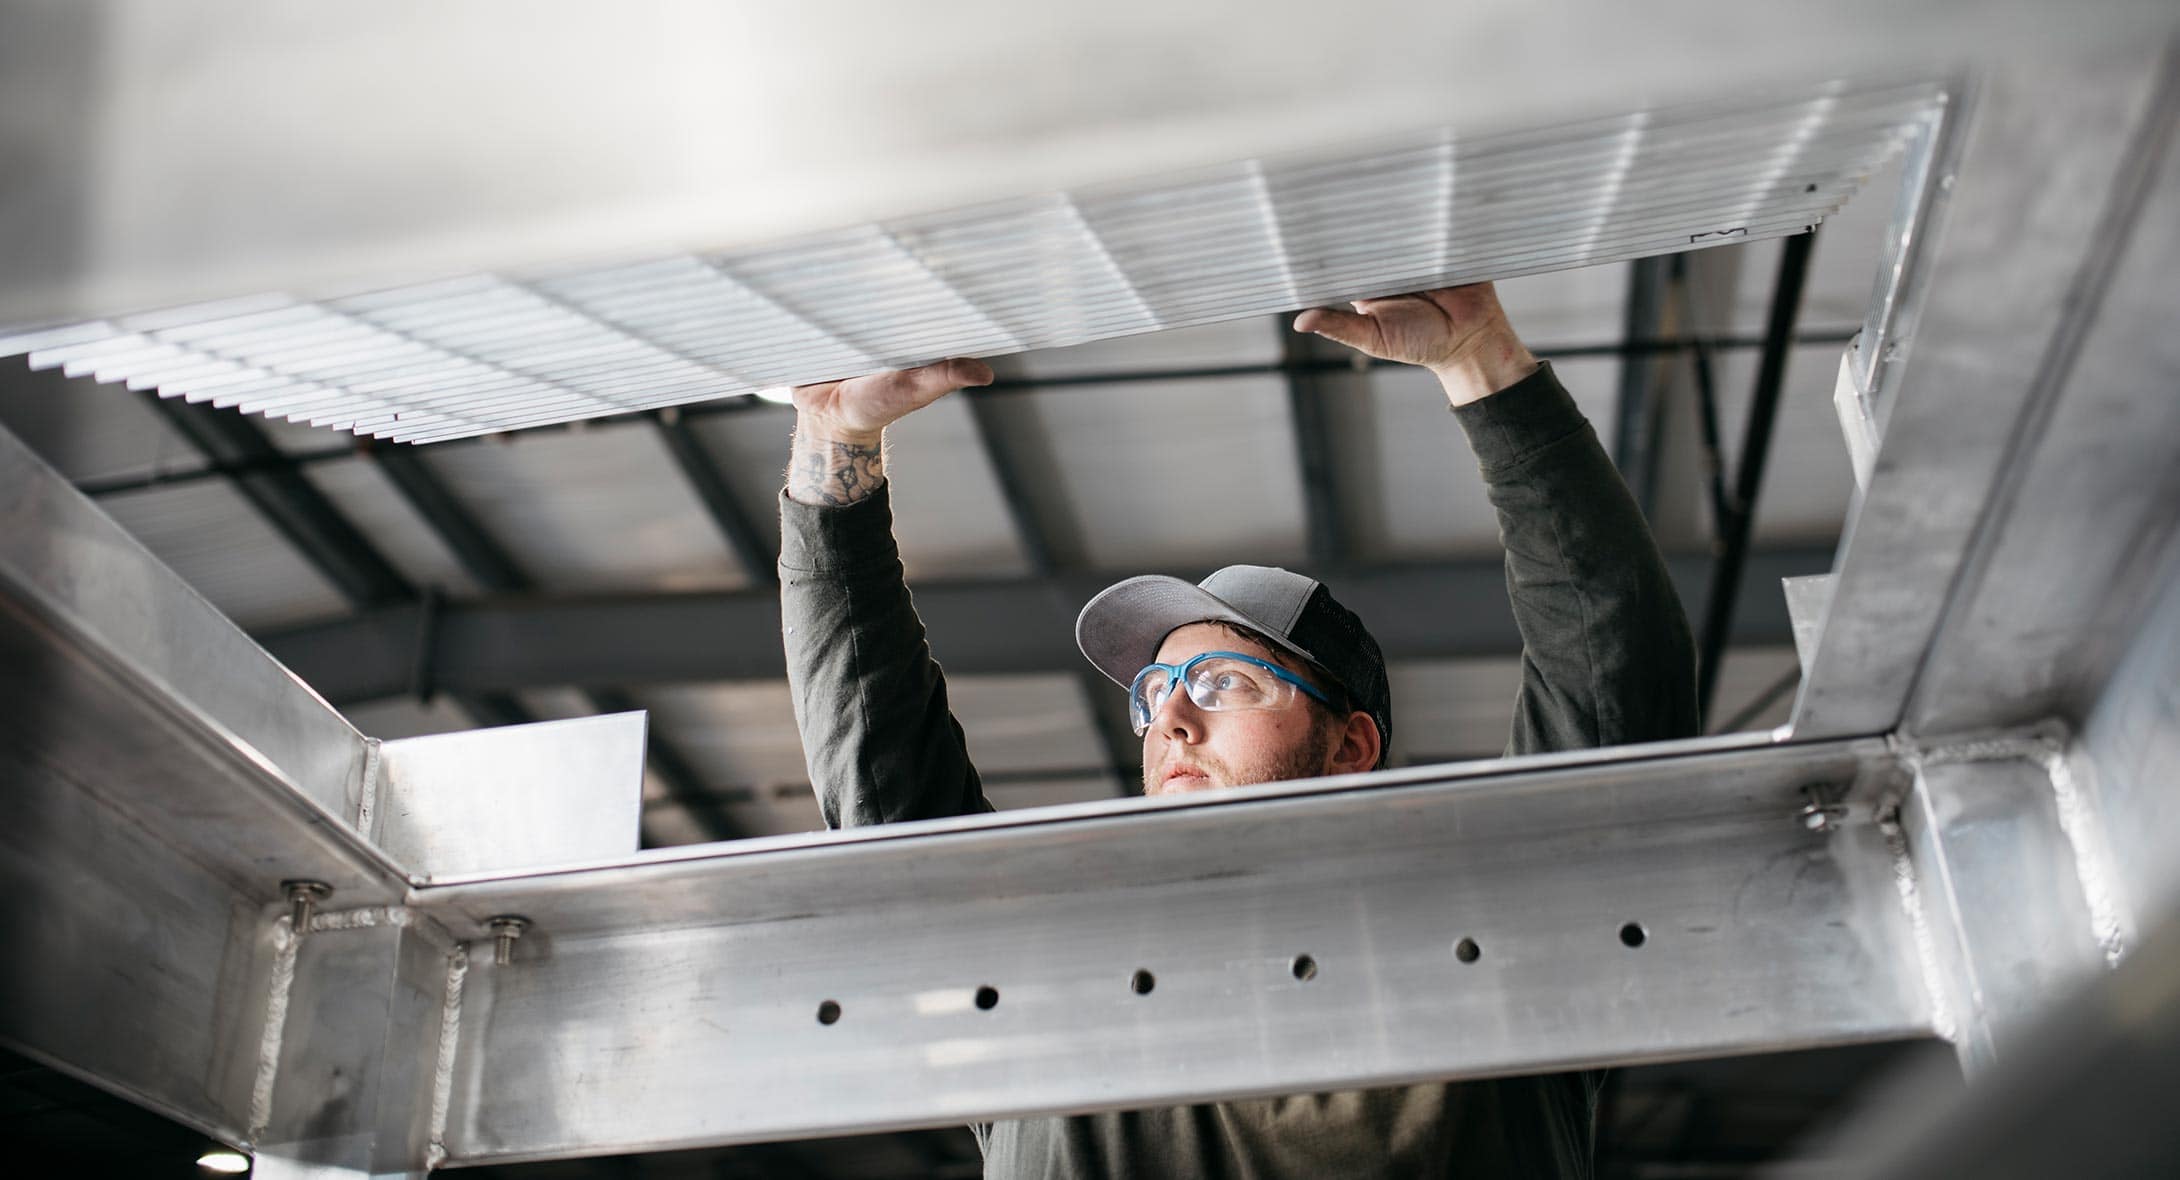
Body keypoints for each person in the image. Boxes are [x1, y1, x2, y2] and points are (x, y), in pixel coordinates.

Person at [778, 283, 1697, 1177]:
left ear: (1351, 747)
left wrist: (1482, 360)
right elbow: (883, 779)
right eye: (1154, 690)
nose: (1170, 720)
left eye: (1225, 684)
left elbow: (1610, 677)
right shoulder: (1039, 982)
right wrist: (834, 443)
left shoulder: (1485, 951)